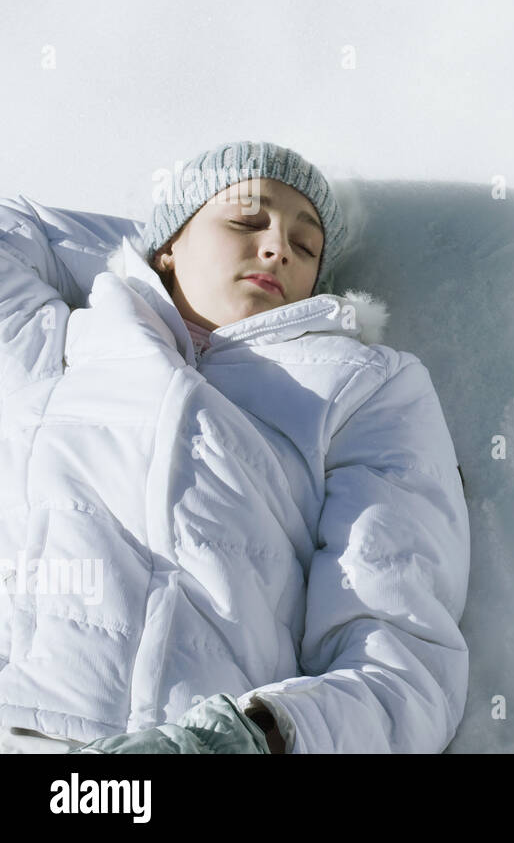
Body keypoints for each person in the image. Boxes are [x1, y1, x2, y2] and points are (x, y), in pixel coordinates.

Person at [0, 140, 470, 753]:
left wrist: (252, 737)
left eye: (306, 247)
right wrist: (141, 256)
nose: (277, 248)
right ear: (169, 244)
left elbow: (403, 649)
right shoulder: (62, 348)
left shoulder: (359, 385)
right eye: (246, 222)